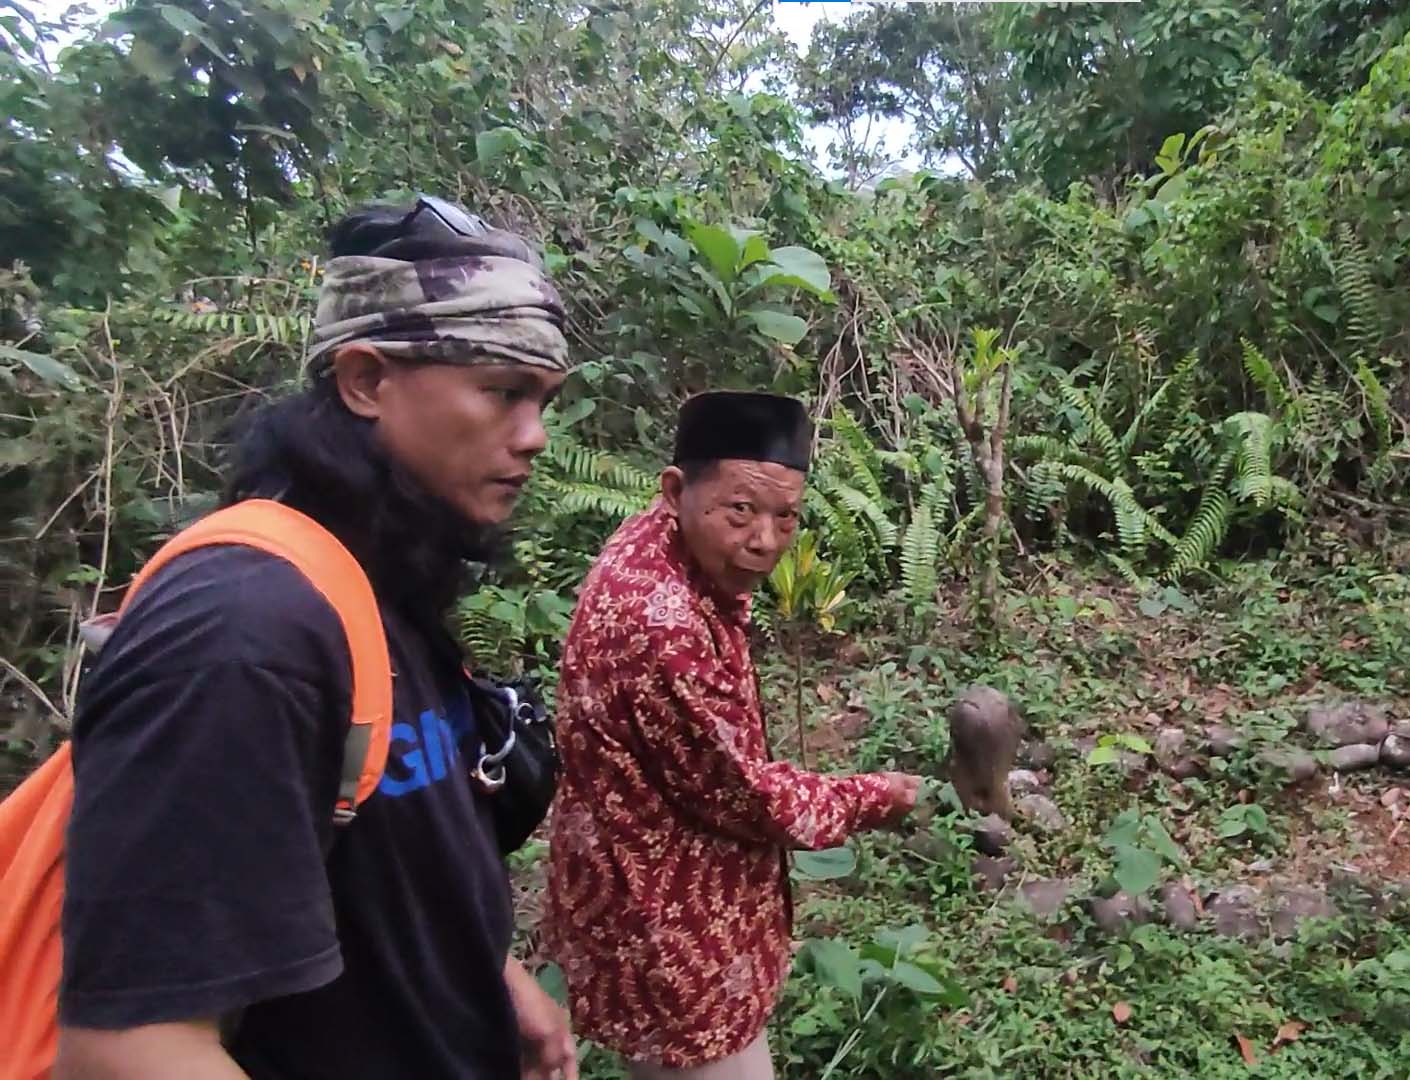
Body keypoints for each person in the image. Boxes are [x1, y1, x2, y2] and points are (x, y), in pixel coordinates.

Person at [53, 195, 578, 1080]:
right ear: (366, 380)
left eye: (543, 401)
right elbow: (128, 1048)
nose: (533, 439)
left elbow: (371, 861)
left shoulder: (374, 582)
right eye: (501, 392)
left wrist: (492, 974)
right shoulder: (243, 633)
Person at [544, 391, 922, 1079]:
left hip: (648, 887)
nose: (766, 543)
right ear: (675, 490)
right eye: (741, 512)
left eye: (787, 517)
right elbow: (748, 794)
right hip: (670, 927)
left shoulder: (655, 544)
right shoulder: (662, 626)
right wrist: (877, 796)